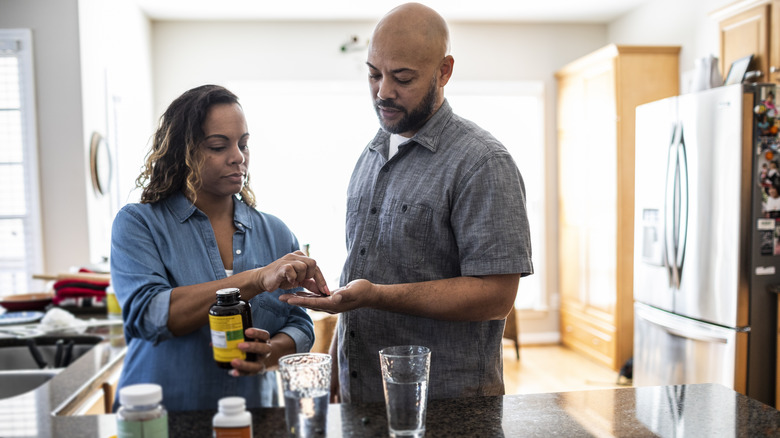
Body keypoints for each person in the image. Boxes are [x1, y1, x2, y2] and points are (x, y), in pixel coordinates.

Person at [280, 3, 533, 404]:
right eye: (373, 74)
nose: (383, 91)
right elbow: (360, 268)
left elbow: (496, 297)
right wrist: (335, 365)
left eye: (402, 78)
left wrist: (377, 295)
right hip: (359, 398)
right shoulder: (371, 154)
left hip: (447, 408)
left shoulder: (483, 162)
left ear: (444, 70)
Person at [110, 84, 329, 411]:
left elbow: (299, 323)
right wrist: (255, 280)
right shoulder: (139, 223)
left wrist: (268, 351)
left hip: (251, 417)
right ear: (182, 152)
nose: (238, 157)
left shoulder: (276, 232)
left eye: (243, 144)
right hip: (160, 421)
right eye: (218, 145)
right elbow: (150, 315)